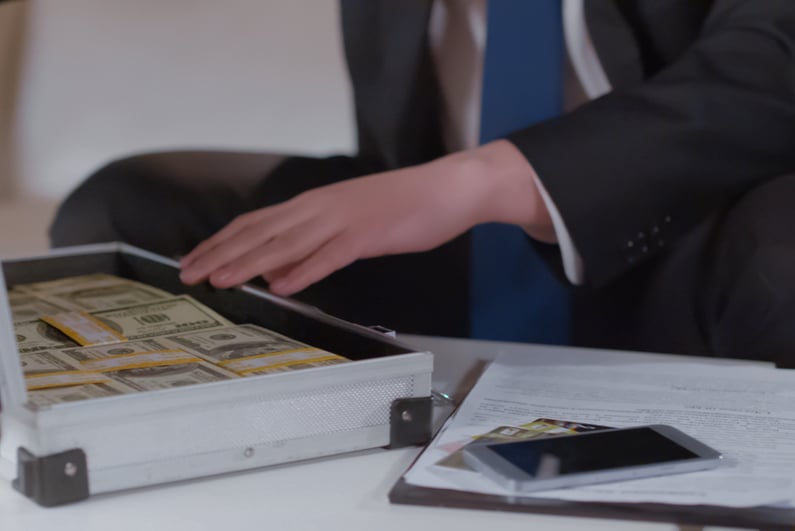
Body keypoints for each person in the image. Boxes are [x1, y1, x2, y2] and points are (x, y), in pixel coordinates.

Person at [51, 0, 795, 364]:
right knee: (128, 206)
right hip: (453, 257)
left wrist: (480, 180)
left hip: (689, 249)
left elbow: (770, 61)